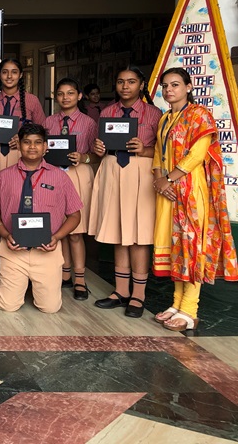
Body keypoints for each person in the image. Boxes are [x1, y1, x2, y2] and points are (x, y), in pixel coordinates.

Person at [152, 68, 237, 331]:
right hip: (167, 190)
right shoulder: (165, 118)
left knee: (191, 247)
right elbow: (157, 153)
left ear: (188, 87)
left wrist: (169, 179)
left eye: (175, 85)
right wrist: (159, 179)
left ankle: (190, 310)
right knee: (176, 247)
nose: (169, 90)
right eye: (165, 85)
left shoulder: (199, 115)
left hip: (190, 189)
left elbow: (197, 155)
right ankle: (177, 303)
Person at [89, 66, 162, 318]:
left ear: (141, 85)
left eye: (131, 82)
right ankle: (121, 291)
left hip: (140, 172)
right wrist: (98, 148)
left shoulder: (154, 114)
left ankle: (138, 295)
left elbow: (165, 151)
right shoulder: (107, 112)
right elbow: (99, 146)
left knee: (139, 234)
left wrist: (145, 149)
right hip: (113, 170)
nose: (125, 86)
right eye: (121, 82)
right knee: (119, 232)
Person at [0, 124, 83, 313]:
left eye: (38, 142)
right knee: (7, 306)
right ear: (18, 145)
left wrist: (57, 237)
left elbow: (75, 215)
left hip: (46, 251)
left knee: (50, 308)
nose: (32, 147)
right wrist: (5, 234)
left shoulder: (60, 177)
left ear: (45, 146)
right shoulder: (3, 177)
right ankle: (3, 273)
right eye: (27, 142)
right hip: (13, 251)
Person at [43, 78, 97, 300]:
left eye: (70, 93)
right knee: (59, 229)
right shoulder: (48, 122)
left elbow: (97, 154)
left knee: (75, 232)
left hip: (77, 175)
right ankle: (64, 274)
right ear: (55, 97)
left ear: (79, 96)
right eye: (61, 94)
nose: (65, 98)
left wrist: (83, 157)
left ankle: (80, 280)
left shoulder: (89, 123)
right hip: (53, 175)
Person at [0, 58, 46, 183]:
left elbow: (42, 131)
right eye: (5, 72)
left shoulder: (32, 100)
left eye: (14, 72)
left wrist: (22, 139)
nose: (9, 76)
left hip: (20, 154)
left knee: (16, 190)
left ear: (20, 75)